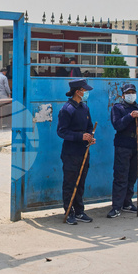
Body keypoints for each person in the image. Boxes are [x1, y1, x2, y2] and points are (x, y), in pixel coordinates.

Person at [107, 83, 138, 218]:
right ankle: (116, 206)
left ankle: (127, 202)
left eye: (133, 92)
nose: (131, 94)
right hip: (123, 146)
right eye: (128, 93)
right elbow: (117, 125)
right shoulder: (118, 108)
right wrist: (130, 116)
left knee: (133, 175)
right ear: (123, 95)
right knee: (121, 176)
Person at [57, 78, 96, 225]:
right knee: (70, 183)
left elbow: (89, 127)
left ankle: (79, 211)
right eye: (84, 90)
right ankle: (69, 212)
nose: (86, 93)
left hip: (84, 151)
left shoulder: (85, 108)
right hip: (71, 152)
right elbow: (61, 132)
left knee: (81, 182)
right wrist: (80, 136)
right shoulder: (67, 109)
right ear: (78, 91)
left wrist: (90, 137)